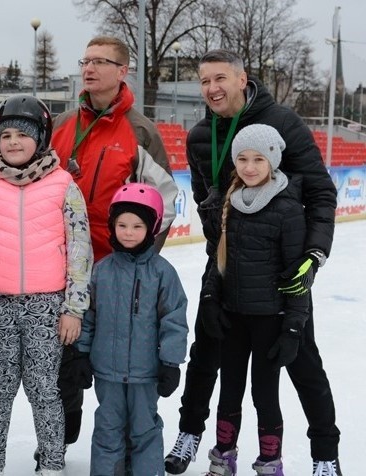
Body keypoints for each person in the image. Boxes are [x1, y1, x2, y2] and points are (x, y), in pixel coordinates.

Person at [164, 49, 341, 476]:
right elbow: (213, 202)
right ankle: (190, 433)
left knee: (302, 362)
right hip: (225, 263)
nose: (212, 88)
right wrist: (212, 260)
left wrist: (313, 257)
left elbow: (320, 193)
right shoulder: (200, 136)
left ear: (243, 79)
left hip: (281, 268)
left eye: (220, 78)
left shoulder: (283, 123)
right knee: (206, 351)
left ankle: (325, 455)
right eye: (204, 81)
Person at [50, 35, 178, 461]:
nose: (89, 69)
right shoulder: (63, 124)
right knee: (66, 362)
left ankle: (127, 448)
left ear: (123, 71)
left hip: (112, 273)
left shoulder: (140, 130)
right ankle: (59, 443)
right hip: (61, 270)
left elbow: (164, 199)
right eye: (85, 60)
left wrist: (137, 261)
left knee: (116, 365)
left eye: (100, 62)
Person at [0, 95, 93, 475]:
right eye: (6, 136)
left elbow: (80, 249)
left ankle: (51, 464)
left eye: (22, 135)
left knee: (44, 390)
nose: (13, 142)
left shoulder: (63, 184)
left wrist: (73, 308)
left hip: (46, 307)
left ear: (42, 138)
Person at [201, 124, 309, 475]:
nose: (249, 167)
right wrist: (210, 300)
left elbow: (298, 277)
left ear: (272, 162)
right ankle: (224, 456)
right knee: (229, 391)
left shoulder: (288, 210)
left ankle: (270, 461)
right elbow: (216, 260)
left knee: (265, 395)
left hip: (269, 319)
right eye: (243, 159)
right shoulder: (227, 204)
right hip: (233, 317)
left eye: (258, 159)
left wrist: (293, 328)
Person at [72, 182, 188, 475]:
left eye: (137, 226)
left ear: (152, 228)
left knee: (144, 429)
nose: (128, 232)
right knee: (108, 429)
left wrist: (170, 363)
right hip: (106, 370)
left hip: (145, 372)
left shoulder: (163, 273)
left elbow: (174, 320)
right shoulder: (102, 270)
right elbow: (89, 315)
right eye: (122, 225)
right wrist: (81, 354)